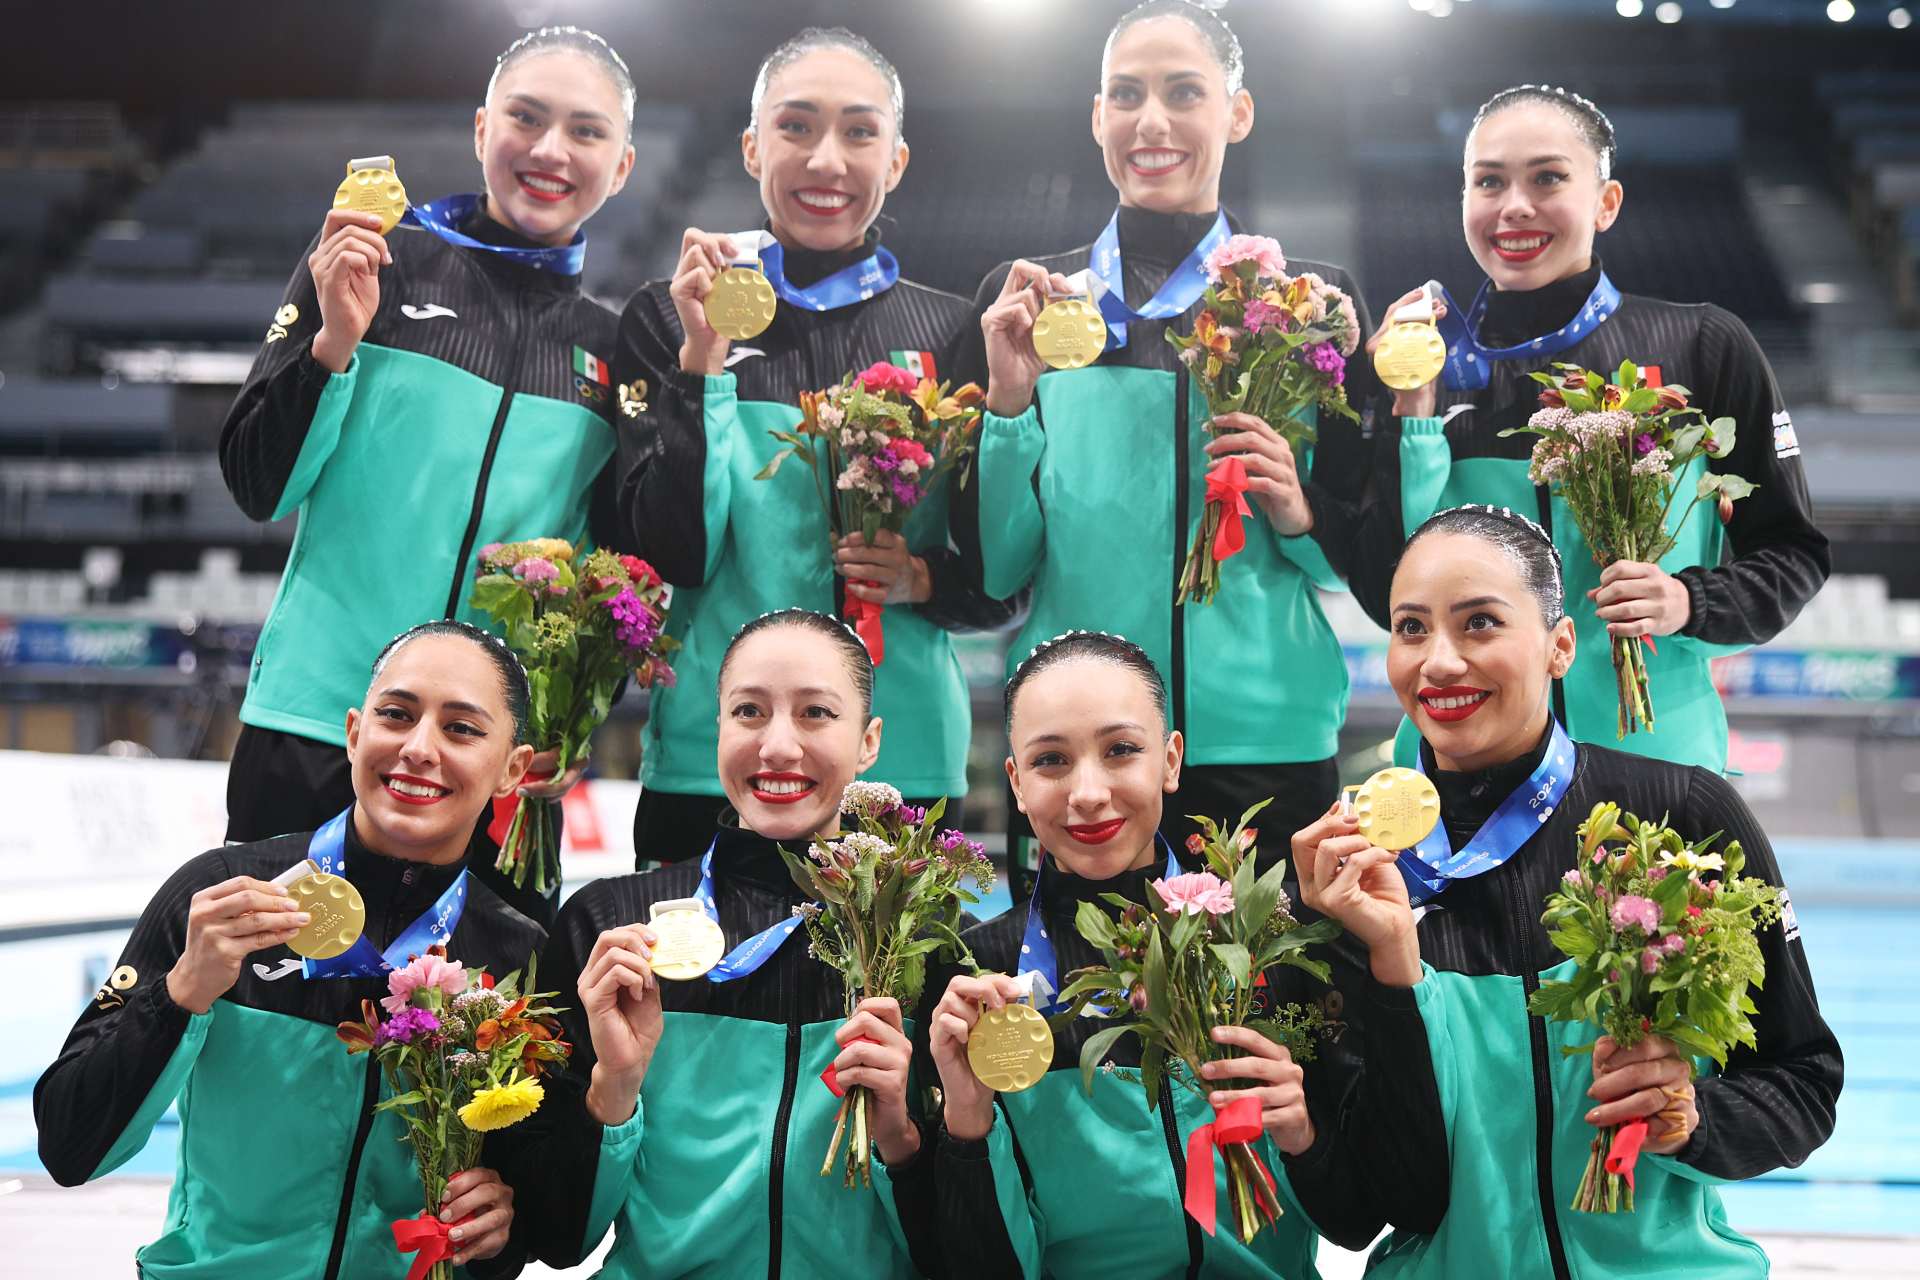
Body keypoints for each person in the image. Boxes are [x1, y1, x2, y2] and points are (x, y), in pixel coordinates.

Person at [1310, 504, 1840, 1276]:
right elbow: (1376, 1205)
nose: (1440, 662)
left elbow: (1803, 1083)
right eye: (1411, 628)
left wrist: (1693, 1118)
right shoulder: (1354, 871)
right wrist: (1390, 971)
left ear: (1560, 646)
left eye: (1481, 623)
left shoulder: (1682, 816)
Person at [950, 0, 1382, 894]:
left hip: (1268, 742)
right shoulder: (1032, 302)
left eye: (1184, 92)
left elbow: (1356, 567)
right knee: (1086, 1027)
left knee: (1267, 1024)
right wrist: (1009, 401)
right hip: (1087, 753)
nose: (1152, 121)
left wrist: (1299, 512)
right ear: (1097, 116)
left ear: (1237, 111)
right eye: (1127, 95)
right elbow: (998, 573)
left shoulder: (1312, 304)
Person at [218, 25, 639, 922]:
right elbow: (258, 483)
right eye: (527, 117)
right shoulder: (370, 259)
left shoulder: (612, 350)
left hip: (490, 765)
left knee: (475, 1046)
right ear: (483, 127)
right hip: (318, 725)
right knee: (266, 1014)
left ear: (624, 165)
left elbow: (614, 586)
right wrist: (333, 341)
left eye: (587, 130)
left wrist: (564, 723)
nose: (552, 150)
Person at [901, 631, 1446, 1276]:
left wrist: (1302, 1135)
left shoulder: (1261, 942)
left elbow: (1357, 1225)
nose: (1088, 792)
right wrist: (968, 1122)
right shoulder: (978, 976)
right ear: (1015, 782)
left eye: (1121, 750)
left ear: (1170, 760)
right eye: (1051, 761)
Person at [35, 621, 546, 1277]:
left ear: (512, 769)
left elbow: (523, 1218)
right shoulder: (221, 895)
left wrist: (501, 1226)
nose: (419, 748)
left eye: (461, 729)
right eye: (397, 715)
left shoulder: (519, 954)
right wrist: (182, 991)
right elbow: (68, 1146)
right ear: (356, 732)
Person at [615, 27, 1012, 866]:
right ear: (754, 147)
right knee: (697, 998)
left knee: (885, 1000)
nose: (826, 159)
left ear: (896, 161)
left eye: (859, 132)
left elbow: (1004, 583)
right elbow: (671, 555)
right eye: (796, 127)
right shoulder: (667, 315)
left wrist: (924, 578)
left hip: (898, 768)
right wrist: (701, 366)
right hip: (712, 762)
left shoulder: (951, 331)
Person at [1352, 85, 1829, 774]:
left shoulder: (1702, 345)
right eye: (1489, 181)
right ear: (1464, 200)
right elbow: (1380, 592)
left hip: (1658, 766)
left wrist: (1687, 601)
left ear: (1606, 203)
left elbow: (1793, 555)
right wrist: (1413, 421)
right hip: (1463, 775)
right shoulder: (1418, 366)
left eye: (1547, 177)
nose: (1514, 204)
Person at [509, 609, 938, 1277]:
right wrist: (613, 1087)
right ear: (718, 729)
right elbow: (555, 1240)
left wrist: (902, 1140)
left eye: (816, 713)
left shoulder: (921, 940)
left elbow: (966, 1255)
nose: (777, 747)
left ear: (869, 742)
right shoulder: (613, 927)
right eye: (749, 712)